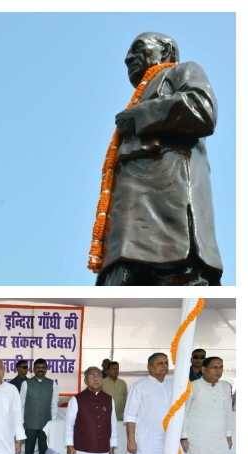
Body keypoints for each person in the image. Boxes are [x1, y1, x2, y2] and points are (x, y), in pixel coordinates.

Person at [96, 32, 222, 285]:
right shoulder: (141, 93)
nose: (128, 58)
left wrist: (141, 115)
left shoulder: (182, 71)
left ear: (166, 52)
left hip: (170, 217)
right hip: (127, 228)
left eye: (139, 47)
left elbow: (202, 109)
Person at [177, 356, 234, 454]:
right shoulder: (193, 386)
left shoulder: (225, 387)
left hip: (218, 437)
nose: (218, 370)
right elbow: (184, 413)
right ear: (203, 369)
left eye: (220, 367)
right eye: (214, 367)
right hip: (196, 437)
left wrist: (228, 434)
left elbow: (228, 412)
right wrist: (184, 436)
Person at [121, 352, 172, 454]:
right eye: (159, 363)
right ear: (149, 367)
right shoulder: (139, 386)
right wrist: (131, 440)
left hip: (164, 438)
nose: (164, 366)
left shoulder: (172, 386)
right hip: (143, 438)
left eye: (166, 362)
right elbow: (130, 415)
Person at [20, 359, 59, 454]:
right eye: (37, 367)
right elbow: (21, 404)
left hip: (46, 424)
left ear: (46, 369)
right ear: (33, 369)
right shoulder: (26, 383)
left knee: (44, 450)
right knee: (29, 450)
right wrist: (21, 421)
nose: (40, 369)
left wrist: (52, 422)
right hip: (30, 423)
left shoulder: (52, 384)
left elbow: (54, 404)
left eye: (43, 367)